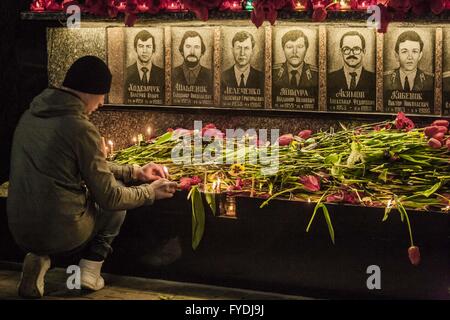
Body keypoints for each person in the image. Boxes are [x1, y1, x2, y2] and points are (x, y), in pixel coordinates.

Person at [7, 56, 178, 299]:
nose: (101, 104)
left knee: (90, 193)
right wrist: (150, 192)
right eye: (101, 96)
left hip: (19, 227)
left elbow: (81, 164)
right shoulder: (79, 127)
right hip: (61, 232)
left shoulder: (30, 116)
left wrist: (135, 171)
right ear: (90, 91)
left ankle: (38, 259)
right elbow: (110, 197)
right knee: (116, 198)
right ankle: (90, 270)